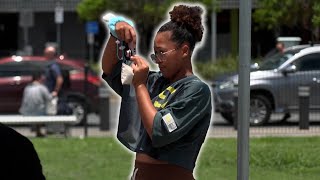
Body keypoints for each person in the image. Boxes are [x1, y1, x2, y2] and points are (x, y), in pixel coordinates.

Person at [101, 4, 212, 180]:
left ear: (184, 51)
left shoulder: (195, 90)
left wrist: (139, 86)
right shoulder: (154, 81)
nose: (157, 60)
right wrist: (115, 35)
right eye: (155, 54)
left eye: (161, 53)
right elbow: (110, 69)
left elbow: (159, 131)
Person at [19, 72, 52, 137]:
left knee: (38, 106)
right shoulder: (42, 87)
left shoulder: (27, 88)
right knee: (47, 108)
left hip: (26, 112)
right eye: (42, 78)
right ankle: (45, 131)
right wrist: (53, 94)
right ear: (38, 78)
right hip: (38, 113)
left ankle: (37, 130)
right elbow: (49, 98)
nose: (44, 79)